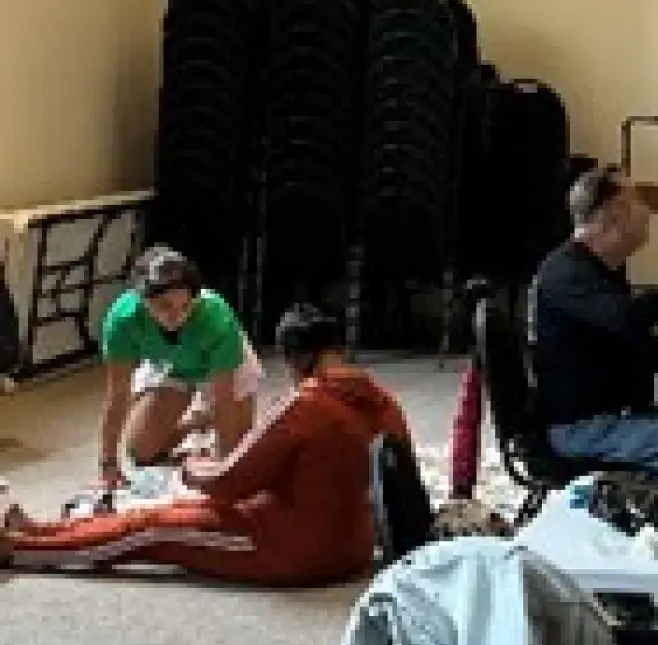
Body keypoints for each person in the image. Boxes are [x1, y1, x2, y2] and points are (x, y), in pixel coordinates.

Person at [4, 305, 410, 586]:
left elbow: (230, 481)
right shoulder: (385, 401)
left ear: (293, 359)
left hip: (293, 551)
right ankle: (43, 531)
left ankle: (20, 550)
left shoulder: (306, 404)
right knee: (172, 512)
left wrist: (192, 467)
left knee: (150, 529)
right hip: (350, 546)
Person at [531, 165, 658, 476]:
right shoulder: (565, 274)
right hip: (588, 428)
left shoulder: (602, 268)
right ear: (614, 215)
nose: (647, 211)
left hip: (624, 414)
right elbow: (624, 318)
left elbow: (623, 331)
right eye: (637, 200)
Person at [95, 246, 260, 486]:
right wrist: (107, 462)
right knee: (141, 451)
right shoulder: (122, 320)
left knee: (239, 451)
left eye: (185, 306)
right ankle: (199, 420)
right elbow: (117, 393)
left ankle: (211, 419)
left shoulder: (216, 318)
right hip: (169, 364)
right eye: (164, 306)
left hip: (219, 368)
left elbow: (223, 396)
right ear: (142, 299)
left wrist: (225, 467)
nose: (177, 317)